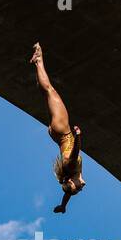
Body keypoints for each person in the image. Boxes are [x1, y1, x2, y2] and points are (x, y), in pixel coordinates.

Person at [30, 43, 86, 214]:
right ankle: (37, 63)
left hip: (63, 130)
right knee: (46, 93)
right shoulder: (70, 175)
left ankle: (38, 60)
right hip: (56, 134)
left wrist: (77, 136)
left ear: (71, 183)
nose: (81, 187)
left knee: (50, 90)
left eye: (77, 188)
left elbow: (75, 151)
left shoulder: (71, 168)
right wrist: (63, 206)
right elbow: (67, 195)